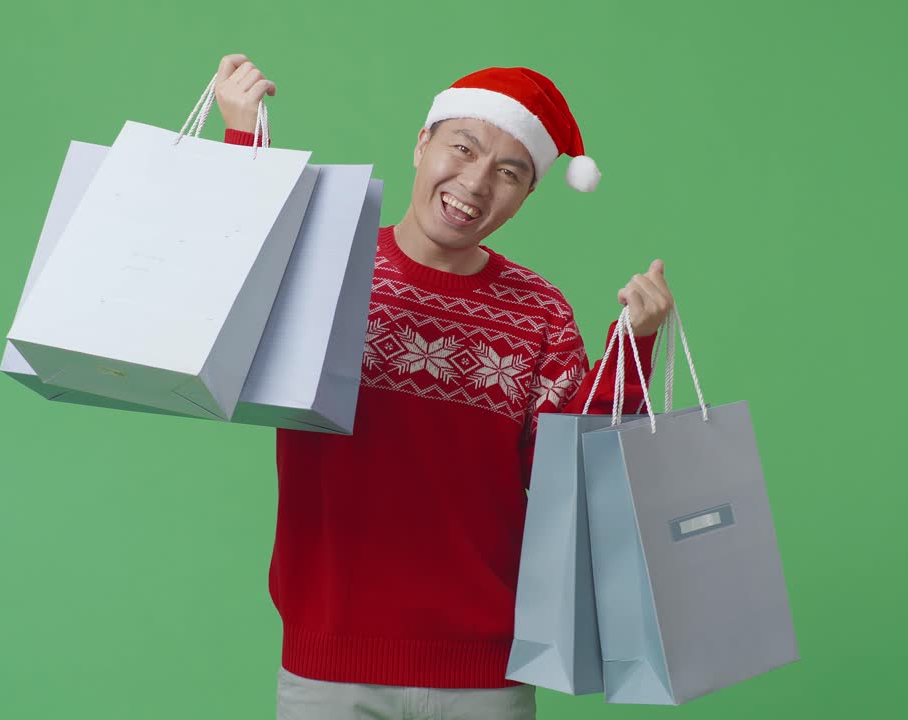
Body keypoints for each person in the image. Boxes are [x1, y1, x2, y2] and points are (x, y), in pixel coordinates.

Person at [214, 53, 674, 720]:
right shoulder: (326, 265)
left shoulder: (539, 312)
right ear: (421, 143)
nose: (476, 183)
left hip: (485, 672)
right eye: (463, 148)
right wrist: (243, 146)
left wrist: (632, 348)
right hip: (328, 663)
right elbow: (222, 315)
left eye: (510, 173)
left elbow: (570, 479)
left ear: (526, 196)